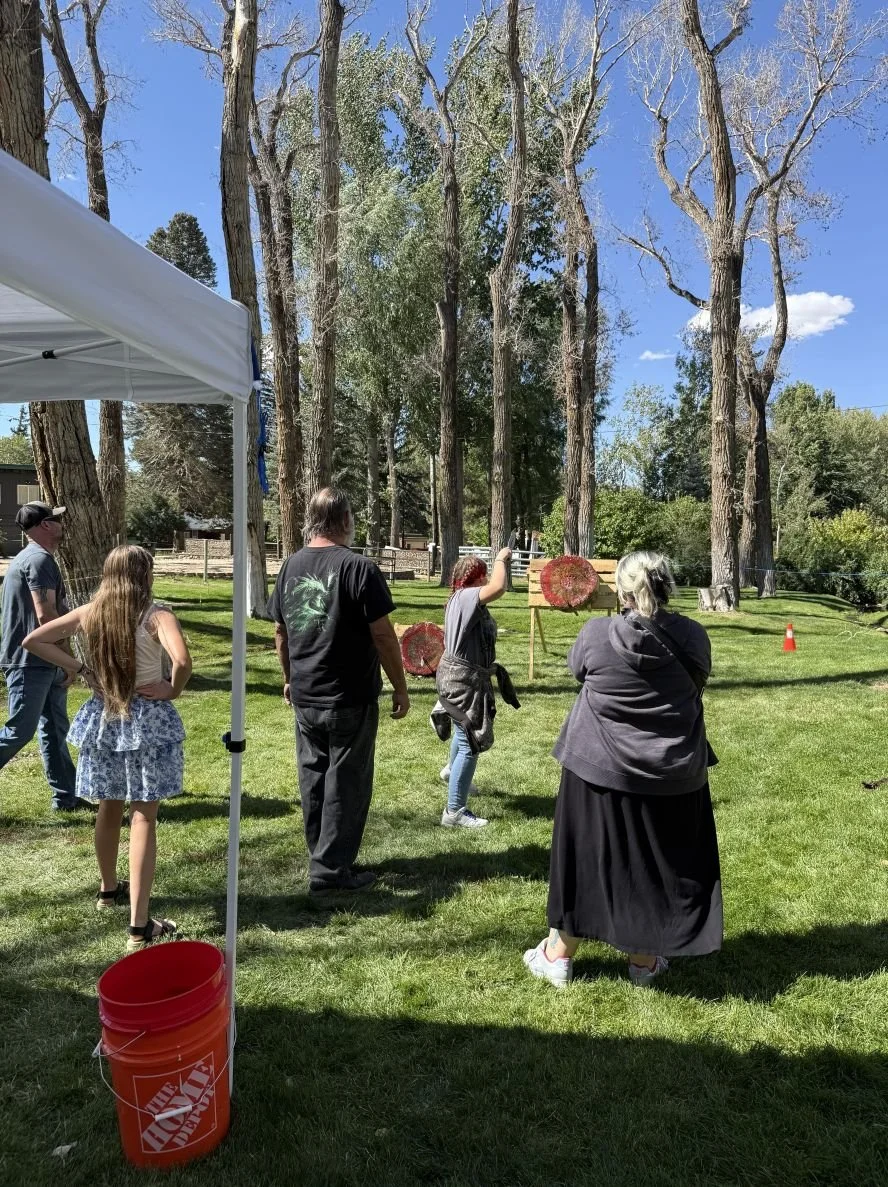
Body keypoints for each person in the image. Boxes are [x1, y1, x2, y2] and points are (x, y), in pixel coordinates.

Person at [524, 550, 722, 989]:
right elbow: (699, 679)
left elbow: (578, 670)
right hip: (670, 774)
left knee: (584, 861)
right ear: (667, 584)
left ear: (622, 589)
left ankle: (558, 955)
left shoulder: (596, 634)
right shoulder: (692, 637)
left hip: (597, 770)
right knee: (654, 865)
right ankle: (644, 961)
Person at [23, 546, 191, 951]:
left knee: (108, 805)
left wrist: (77, 668)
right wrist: (172, 688)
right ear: (145, 574)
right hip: (145, 719)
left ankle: (108, 890)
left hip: (105, 717)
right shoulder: (156, 614)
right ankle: (139, 925)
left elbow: (34, 639)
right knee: (143, 817)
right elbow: (182, 661)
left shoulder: (91, 611)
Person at [268, 487, 410, 894]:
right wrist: (400, 687)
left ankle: (324, 856)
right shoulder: (358, 567)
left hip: (307, 694)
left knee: (314, 778)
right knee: (346, 783)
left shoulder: (291, 565)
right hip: (348, 696)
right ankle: (331, 874)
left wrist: (290, 677)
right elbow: (383, 635)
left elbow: (281, 632)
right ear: (345, 520)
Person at [0, 501, 89, 812]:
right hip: (30, 661)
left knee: (54, 730)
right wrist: (66, 658)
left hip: (43, 661)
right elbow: (46, 615)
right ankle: (66, 797)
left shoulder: (33, 557)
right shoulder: (39, 560)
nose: (62, 524)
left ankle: (66, 798)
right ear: (46, 526)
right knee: (18, 732)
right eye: (56, 519)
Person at [430, 548, 519, 829]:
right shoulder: (467, 596)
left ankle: (450, 771)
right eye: (484, 574)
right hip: (462, 680)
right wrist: (501, 560)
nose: (487, 579)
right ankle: (454, 812)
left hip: (463, 678)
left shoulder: (462, 600)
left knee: (462, 728)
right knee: (471, 740)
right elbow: (499, 587)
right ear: (477, 576)